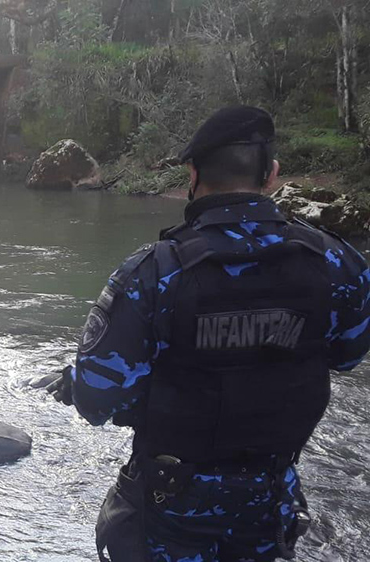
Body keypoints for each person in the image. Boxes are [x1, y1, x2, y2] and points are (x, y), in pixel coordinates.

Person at [47, 106, 370, 561]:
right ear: (272, 175)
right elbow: (347, 354)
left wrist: (78, 381)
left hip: (172, 505)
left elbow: (100, 398)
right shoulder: (337, 262)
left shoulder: (153, 271)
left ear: (193, 175)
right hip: (270, 501)